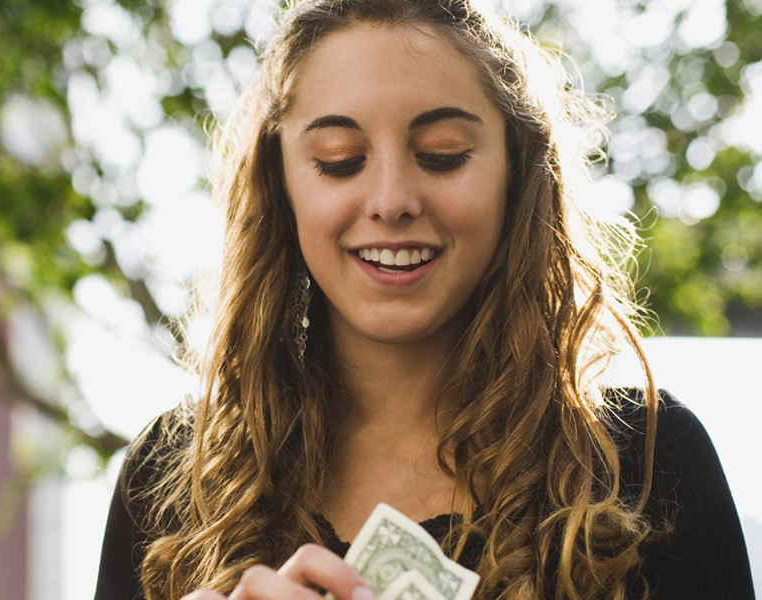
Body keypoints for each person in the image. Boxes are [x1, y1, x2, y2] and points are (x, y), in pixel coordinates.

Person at [94, 0, 755, 598]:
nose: (391, 202)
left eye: (442, 155)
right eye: (339, 158)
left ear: (517, 174)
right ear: (282, 183)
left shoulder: (649, 463)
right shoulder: (173, 477)